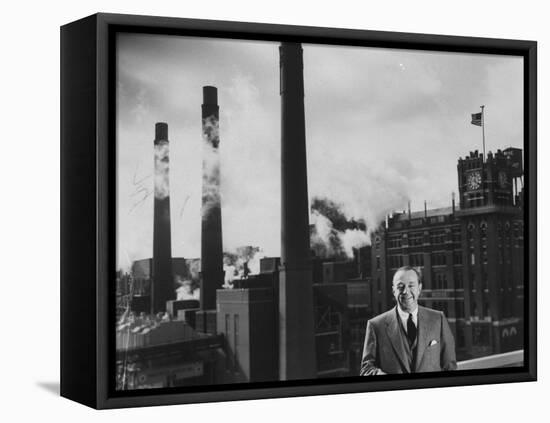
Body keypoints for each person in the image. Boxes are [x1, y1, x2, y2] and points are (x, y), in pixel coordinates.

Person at [360, 266, 457, 375]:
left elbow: (450, 366)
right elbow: (366, 370)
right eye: (400, 286)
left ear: (419, 288)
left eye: (411, 285)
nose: (406, 291)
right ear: (393, 290)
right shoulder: (376, 326)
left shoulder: (438, 319)